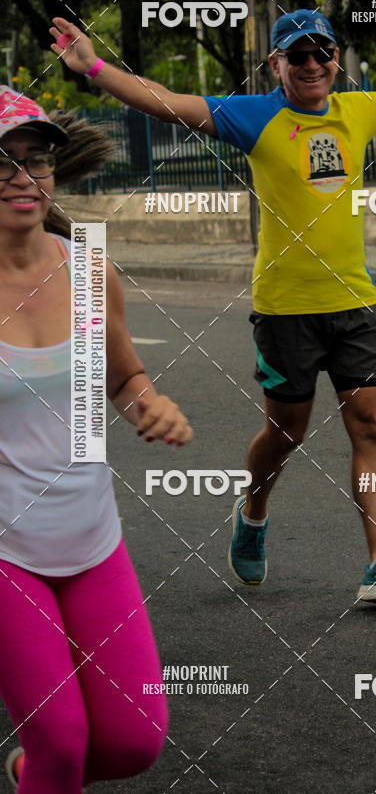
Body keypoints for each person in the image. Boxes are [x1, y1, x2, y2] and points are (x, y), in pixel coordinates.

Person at [50, 9, 376, 605]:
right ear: (276, 64)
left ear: (335, 58)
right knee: (286, 431)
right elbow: (166, 101)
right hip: (284, 311)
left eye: (321, 53)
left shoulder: (358, 111)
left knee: (372, 423)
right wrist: (94, 67)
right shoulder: (255, 117)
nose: (311, 65)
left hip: (356, 302)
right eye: (297, 55)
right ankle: (253, 511)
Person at [0, 85, 193, 792]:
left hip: (90, 536)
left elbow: (125, 375)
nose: (24, 179)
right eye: (4, 163)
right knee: (61, 739)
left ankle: (29, 775)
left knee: (132, 742)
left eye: (37, 160)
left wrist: (150, 403)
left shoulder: (89, 269)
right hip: (4, 551)